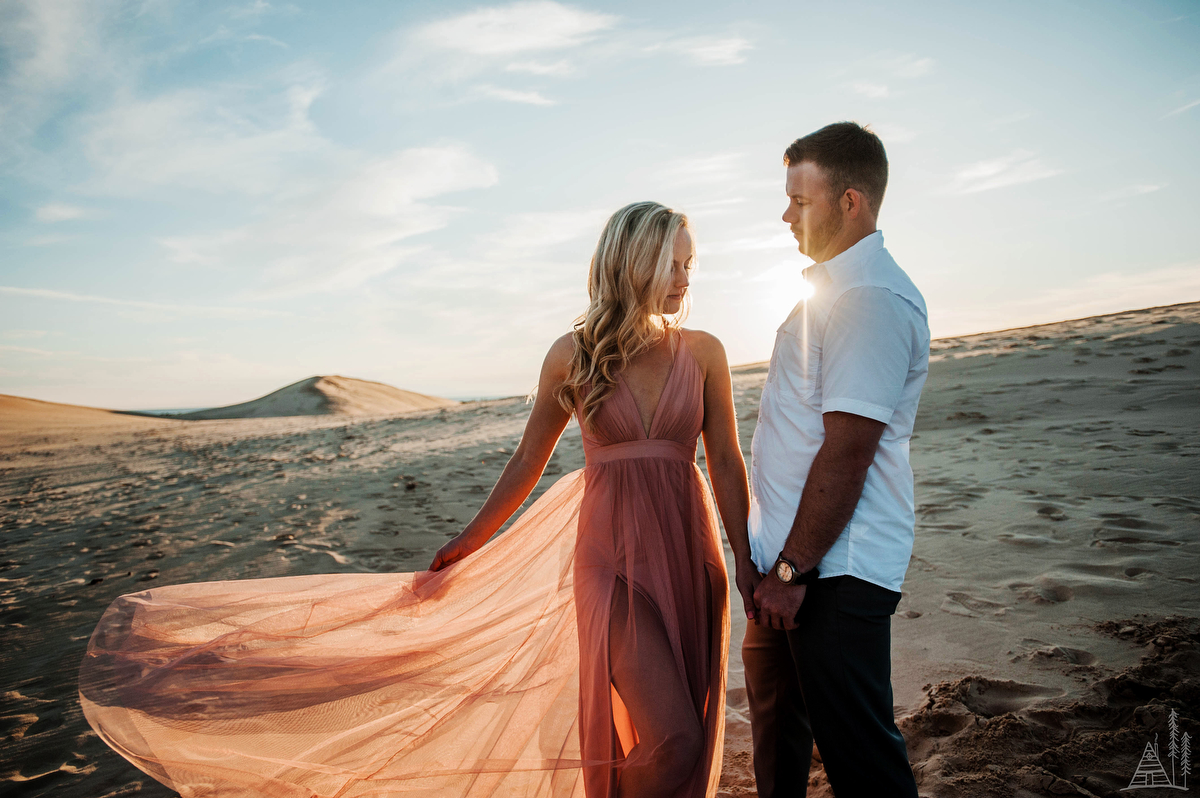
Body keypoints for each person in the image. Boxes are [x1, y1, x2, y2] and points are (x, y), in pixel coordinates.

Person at [80, 201, 755, 798]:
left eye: (691, 265)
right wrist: (469, 543)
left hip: (688, 552)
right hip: (610, 560)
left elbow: (725, 460)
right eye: (676, 263)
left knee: (677, 742)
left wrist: (749, 566)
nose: (687, 278)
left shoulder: (705, 353)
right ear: (635, 261)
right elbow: (529, 459)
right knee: (675, 746)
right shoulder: (571, 356)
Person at [741, 122, 928, 797]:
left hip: (830, 573)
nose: (786, 214)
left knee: (861, 759)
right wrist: (771, 566)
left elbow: (848, 452)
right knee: (778, 742)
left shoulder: (868, 299)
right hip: (789, 570)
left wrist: (792, 570)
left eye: (801, 199)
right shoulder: (833, 290)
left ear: (851, 201)